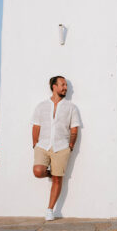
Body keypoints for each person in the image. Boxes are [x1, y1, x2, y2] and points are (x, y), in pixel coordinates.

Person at [31, 76, 81, 221]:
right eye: (62, 85)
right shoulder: (41, 106)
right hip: (43, 146)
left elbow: (74, 128)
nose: (65, 87)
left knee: (58, 179)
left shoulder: (71, 107)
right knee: (38, 171)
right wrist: (35, 143)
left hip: (61, 147)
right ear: (54, 86)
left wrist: (70, 146)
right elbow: (36, 125)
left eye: (66, 85)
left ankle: (49, 210)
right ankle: (50, 173)